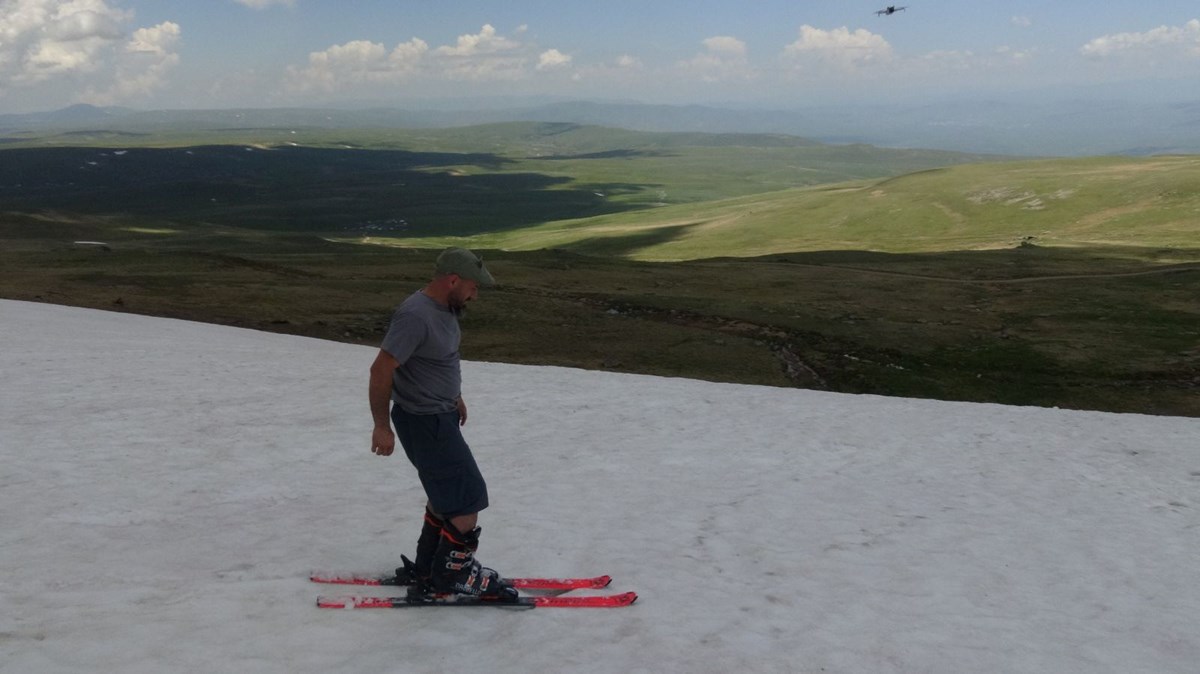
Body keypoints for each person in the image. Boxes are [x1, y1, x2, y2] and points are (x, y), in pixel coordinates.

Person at [367, 247, 515, 599]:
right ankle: (454, 576)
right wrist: (381, 425)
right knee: (467, 500)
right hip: (425, 421)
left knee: (445, 496)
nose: (475, 294)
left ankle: (428, 569)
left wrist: (454, 396)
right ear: (452, 280)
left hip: (438, 414)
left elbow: (436, 360)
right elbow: (381, 369)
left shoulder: (444, 309)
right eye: (473, 286)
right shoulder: (416, 316)